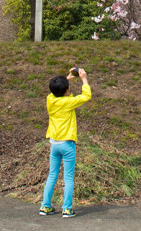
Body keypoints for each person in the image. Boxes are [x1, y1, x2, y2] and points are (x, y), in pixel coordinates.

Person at [40, 67, 91, 218]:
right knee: (68, 177)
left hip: (54, 143)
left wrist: (67, 78)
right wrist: (83, 79)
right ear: (67, 90)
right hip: (67, 144)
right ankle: (67, 209)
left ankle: (45, 206)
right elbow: (86, 96)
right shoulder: (69, 102)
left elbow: (55, 90)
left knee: (52, 175)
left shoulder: (50, 100)